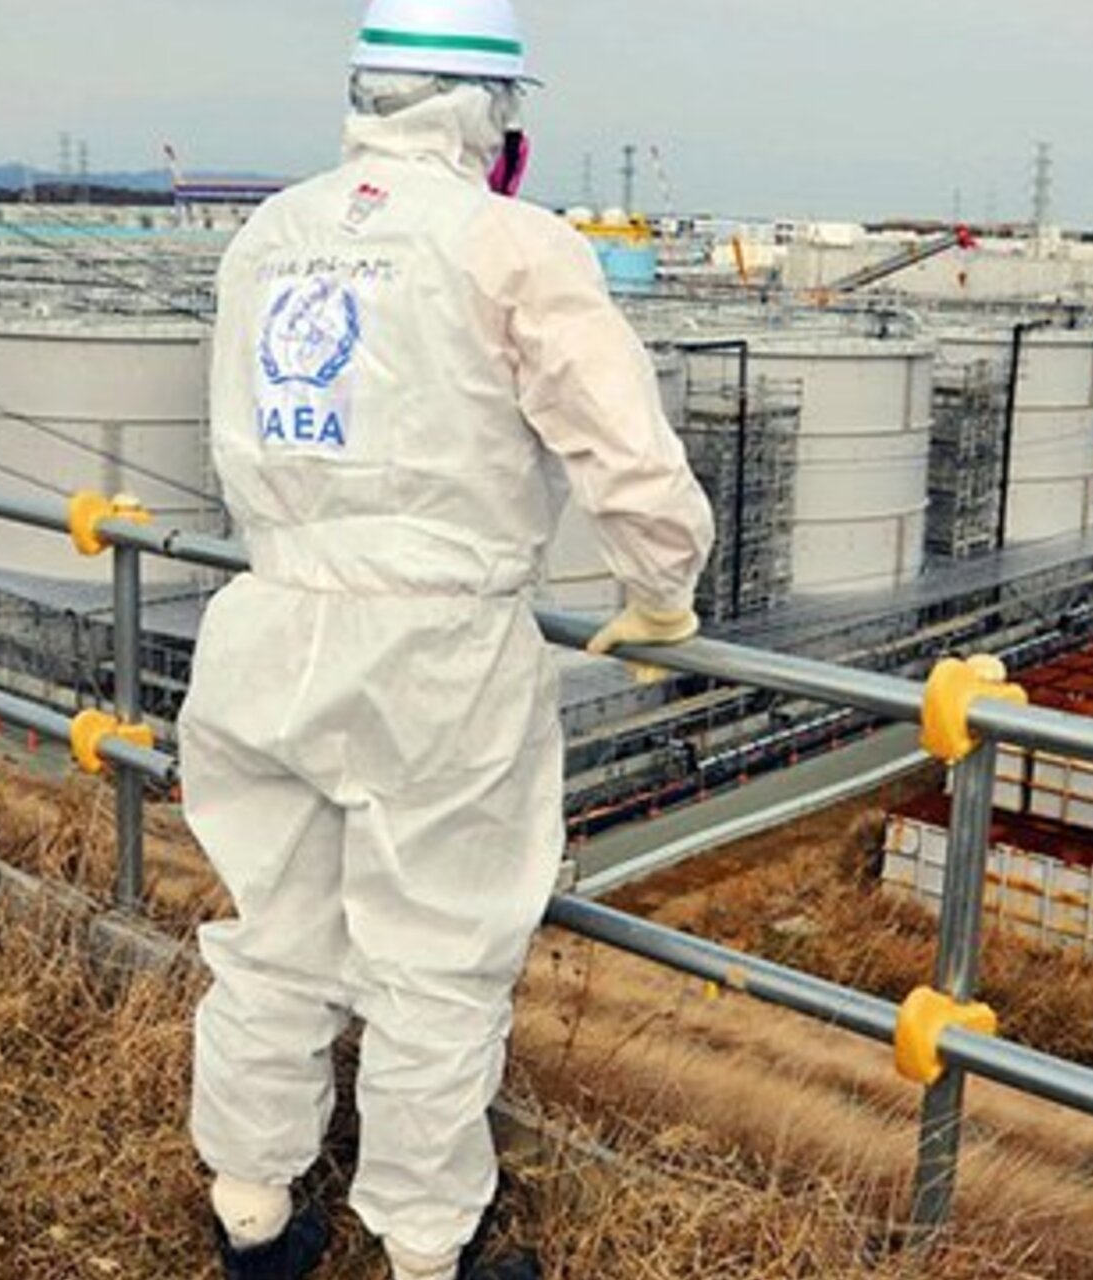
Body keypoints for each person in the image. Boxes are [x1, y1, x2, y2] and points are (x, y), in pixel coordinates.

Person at [177, 1, 717, 1277]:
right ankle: (429, 1248)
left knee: (273, 932)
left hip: (266, 622)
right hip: (434, 652)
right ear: (492, 112)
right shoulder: (511, 242)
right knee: (436, 956)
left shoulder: (269, 231)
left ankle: (252, 1211)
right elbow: (624, 450)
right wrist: (663, 589)